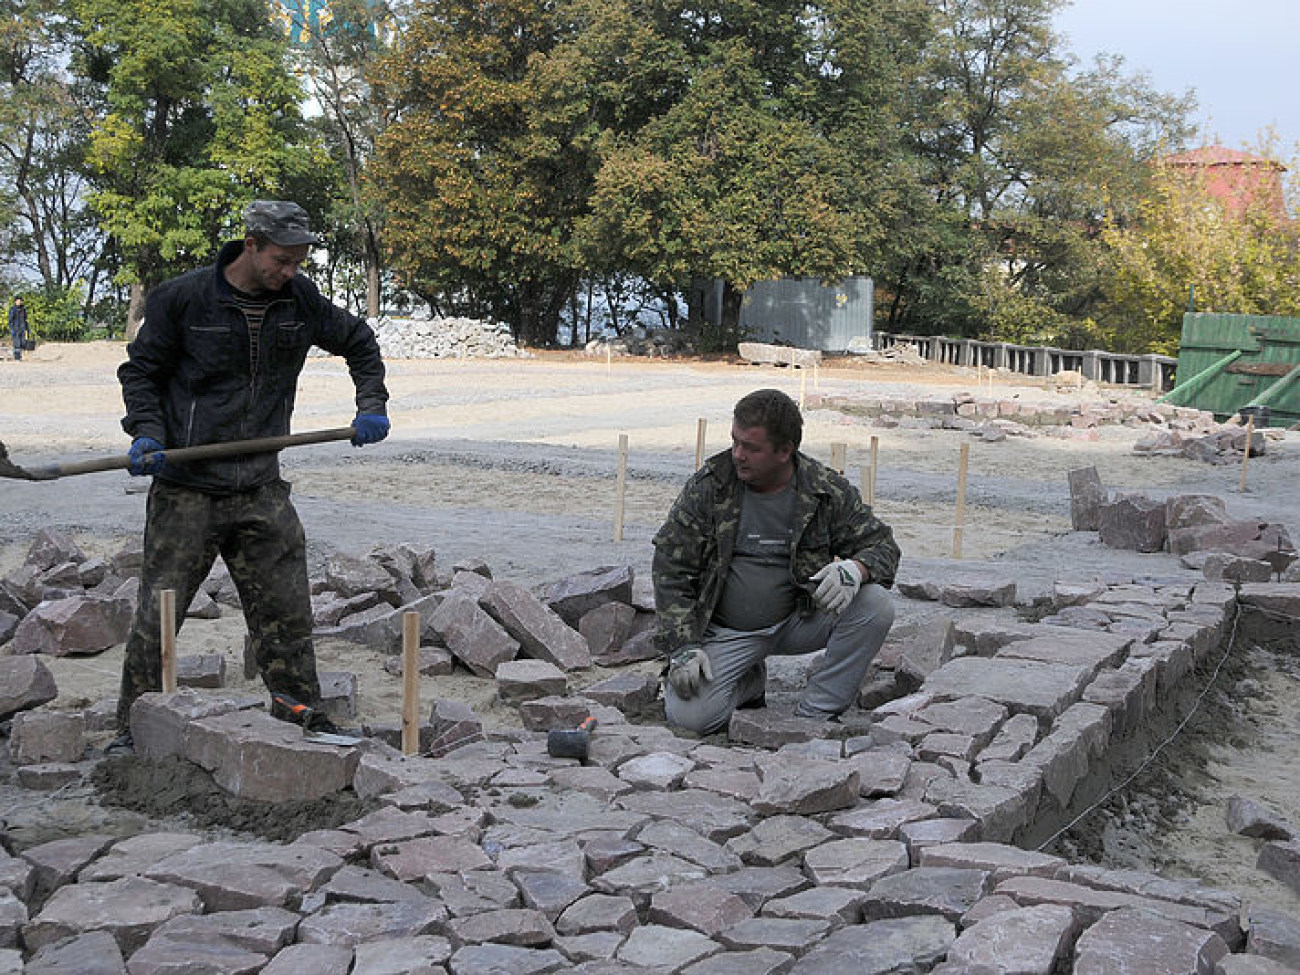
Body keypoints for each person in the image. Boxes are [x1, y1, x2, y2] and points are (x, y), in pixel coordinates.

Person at [111, 200, 390, 751]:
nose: (290, 272)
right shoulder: (184, 299)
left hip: (261, 485)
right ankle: (132, 728)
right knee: (158, 618)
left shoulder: (300, 301)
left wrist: (371, 403)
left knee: (287, 614)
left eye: (298, 262)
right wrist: (146, 431)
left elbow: (359, 341)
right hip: (188, 488)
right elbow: (139, 372)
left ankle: (300, 718)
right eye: (281, 261)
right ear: (251, 244)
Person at [653, 388, 899, 735]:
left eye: (751, 448)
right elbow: (670, 568)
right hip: (727, 630)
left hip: (800, 617)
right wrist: (683, 646)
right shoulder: (711, 485)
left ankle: (816, 713)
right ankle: (749, 681)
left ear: (785, 450)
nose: (737, 455)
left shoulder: (824, 489)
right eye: (734, 441)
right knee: (691, 719)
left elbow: (883, 545)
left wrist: (855, 569)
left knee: (876, 605)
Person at [8, 297, 27, 361]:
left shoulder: (23, 309)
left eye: (20, 301)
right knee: (17, 343)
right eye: (18, 301)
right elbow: (10, 320)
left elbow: (25, 319)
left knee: (23, 342)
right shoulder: (12, 309)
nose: (19, 302)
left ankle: (20, 355)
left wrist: (27, 328)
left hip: (22, 328)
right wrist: (11, 329)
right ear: (15, 302)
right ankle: (17, 357)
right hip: (15, 328)